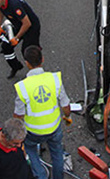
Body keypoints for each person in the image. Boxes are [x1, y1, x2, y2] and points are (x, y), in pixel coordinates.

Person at [13, 46, 70, 179]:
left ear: (26, 63)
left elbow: (18, 116)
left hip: (33, 132)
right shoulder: (54, 79)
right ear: (42, 60)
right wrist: (67, 117)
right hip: (54, 127)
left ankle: (40, 175)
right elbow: (65, 105)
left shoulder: (22, 87)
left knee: (31, 152)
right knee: (57, 154)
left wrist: (18, 136)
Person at [0, 0, 41, 78]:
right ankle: (16, 66)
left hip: (31, 27)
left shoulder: (14, 4)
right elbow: (0, 10)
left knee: (28, 52)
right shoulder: (1, 3)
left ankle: (35, 74)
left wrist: (16, 38)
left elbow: (27, 23)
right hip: (18, 24)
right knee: (6, 46)